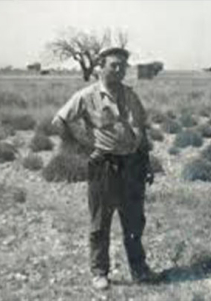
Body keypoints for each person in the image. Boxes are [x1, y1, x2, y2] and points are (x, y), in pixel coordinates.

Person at [51, 47, 156, 290]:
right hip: (104, 167)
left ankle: (139, 269)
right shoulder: (87, 96)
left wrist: (146, 163)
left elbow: (142, 130)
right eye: (113, 65)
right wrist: (84, 149)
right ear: (101, 65)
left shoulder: (131, 96)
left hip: (133, 166)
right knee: (100, 222)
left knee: (134, 221)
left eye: (123, 66)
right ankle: (100, 271)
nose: (119, 70)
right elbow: (60, 121)